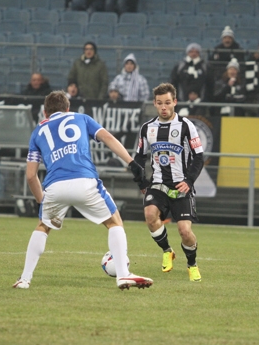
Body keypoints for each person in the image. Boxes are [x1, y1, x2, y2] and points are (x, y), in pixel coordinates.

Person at [12, 91, 153, 290]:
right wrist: (131, 162)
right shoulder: (81, 118)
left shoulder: (38, 131)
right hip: (85, 181)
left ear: (45, 113)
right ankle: (122, 274)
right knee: (114, 222)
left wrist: (41, 201)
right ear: (68, 108)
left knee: (43, 227)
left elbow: (30, 175)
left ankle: (24, 279)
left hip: (54, 186)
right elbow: (107, 138)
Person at [133, 83, 204, 282]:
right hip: (158, 184)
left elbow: (199, 157)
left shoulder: (186, 126)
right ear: (154, 104)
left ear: (175, 102)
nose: (164, 107)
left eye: (167, 102)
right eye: (159, 103)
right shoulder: (147, 128)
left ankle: (192, 264)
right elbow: (139, 158)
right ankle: (167, 250)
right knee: (149, 215)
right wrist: (142, 183)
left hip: (181, 185)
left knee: (185, 231)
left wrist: (189, 181)